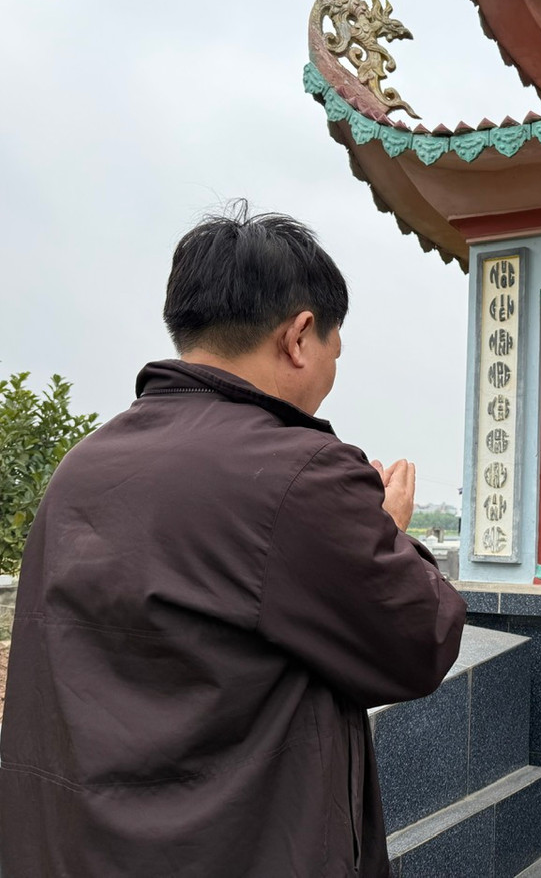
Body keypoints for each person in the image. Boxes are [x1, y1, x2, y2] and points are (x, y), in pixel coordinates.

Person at [0, 205, 467, 876]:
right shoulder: (297, 472)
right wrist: (388, 530)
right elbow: (420, 642)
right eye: (335, 349)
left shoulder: (84, 466)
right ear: (301, 336)